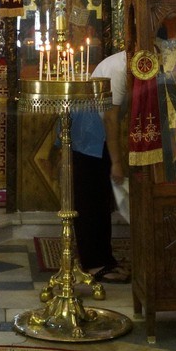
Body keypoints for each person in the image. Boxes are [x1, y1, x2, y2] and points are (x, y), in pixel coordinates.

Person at [69, 49, 129, 283]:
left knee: (101, 199)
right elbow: (110, 118)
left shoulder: (127, 64)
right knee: (90, 199)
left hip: (97, 132)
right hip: (90, 133)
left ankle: (104, 258)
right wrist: (116, 162)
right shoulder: (119, 68)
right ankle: (94, 264)